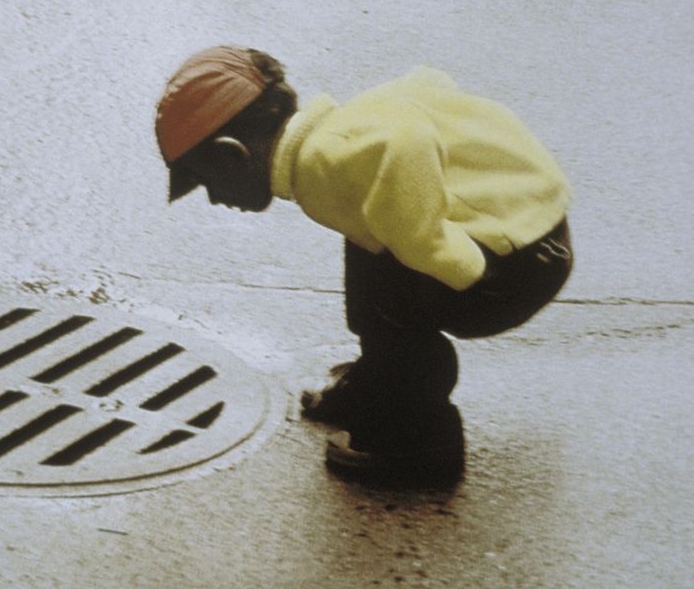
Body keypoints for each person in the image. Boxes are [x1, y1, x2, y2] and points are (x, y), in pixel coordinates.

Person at [155, 45, 573, 485]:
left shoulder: (327, 158)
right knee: (373, 250)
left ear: (232, 154)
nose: (216, 200)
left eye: (207, 183)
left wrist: (467, 271)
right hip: (532, 238)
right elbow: (427, 81)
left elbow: (407, 139)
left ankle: (417, 443)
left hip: (510, 268)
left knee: (397, 313)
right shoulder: (335, 135)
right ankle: (377, 385)